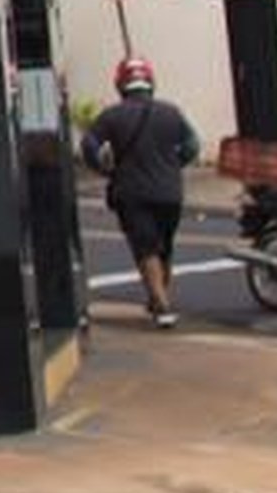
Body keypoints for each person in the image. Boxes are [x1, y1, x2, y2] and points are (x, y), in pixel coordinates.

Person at [83, 57, 203, 325]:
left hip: (132, 192)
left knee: (145, 247)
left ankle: (161, 304)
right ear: (150, 83)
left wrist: (104, 168)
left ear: (120, 85)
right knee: (164, 248)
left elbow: (89, 145)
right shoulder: (171, 112)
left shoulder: (112, 116)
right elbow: (193, 145)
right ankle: (158, 296)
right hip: (170, 192)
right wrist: (173, 164)